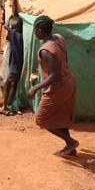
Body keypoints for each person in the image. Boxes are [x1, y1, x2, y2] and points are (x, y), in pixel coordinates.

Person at [27, 15, 78, 156]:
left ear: (40, 30)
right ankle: (70, 147)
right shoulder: (59, 38)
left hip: (59, 86)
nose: (34, 32)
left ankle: (71, 142)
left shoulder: (45, 51)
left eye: (35, 29)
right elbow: (65, 60)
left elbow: (54, 75)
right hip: (69, 81)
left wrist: (35, 88)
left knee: (41, 119)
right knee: (60, 116)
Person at [0, 15, 24, 115]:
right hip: (19, 65)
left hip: (14, 65)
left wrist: (9, 18)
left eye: (13, 27)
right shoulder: (21, 36)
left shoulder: (15, 35)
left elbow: (5, 26)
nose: (12, 29)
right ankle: (10, 104)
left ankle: (5, 106)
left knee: (7, 84)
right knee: (14, 85)